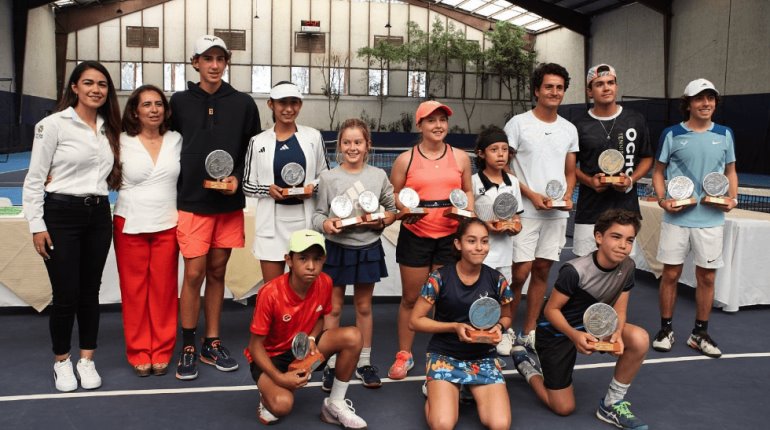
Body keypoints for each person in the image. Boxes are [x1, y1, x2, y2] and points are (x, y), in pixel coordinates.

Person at [22, 60, 121, 392]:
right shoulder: (53, 125)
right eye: (88, 83)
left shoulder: (111, 128)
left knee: (90, 292)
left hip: (98, 217)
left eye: (102, 84)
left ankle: (86, 359)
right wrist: (37, 225)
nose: (96, 89)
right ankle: (62, 361)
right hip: (60, 214)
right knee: (66, 294)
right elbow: (35, 179)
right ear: (75, 87)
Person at [170, 35, 262, 380]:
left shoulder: (244, 104)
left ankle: (212, 341)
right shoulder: (178, 102)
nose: (213, 65)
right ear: (195, 62)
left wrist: (238, 177)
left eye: (219, 58)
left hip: (227, 204)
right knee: (194, 273)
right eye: (206, 58)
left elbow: (251, 152)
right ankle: (189, 344)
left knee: (218, 273)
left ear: (227, 62)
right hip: (192, 203)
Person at [512, 209, 649, 430]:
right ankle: (526, 366)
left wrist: (617, 333)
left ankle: (612, 403)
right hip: (557, 332)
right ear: (599, 237)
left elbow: (620, 311)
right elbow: (551, 311)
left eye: (629, 240)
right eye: (616, 237)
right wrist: (575, 335)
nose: (623, 245)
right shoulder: (575, 271)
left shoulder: (628, 267)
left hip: (596, 326)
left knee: (639, 338)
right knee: (563, 408)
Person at [651, 78, 738, 358]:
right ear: (687, 103)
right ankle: (666, 329)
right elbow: (657, 171)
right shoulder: (672, 134)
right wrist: (664, 200)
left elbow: (731, 171)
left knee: (707, 279)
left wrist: (732, 198)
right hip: (677, 220)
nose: (706, 104)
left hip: (711, 220)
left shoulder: (725, 134)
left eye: (710, 98)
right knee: (671, 275)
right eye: (699, 99)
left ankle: (699, 333)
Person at [246, 229, 367, 428]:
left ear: (324, 260)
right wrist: (281, 378)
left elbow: (320, 317)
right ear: (289, 260)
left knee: (353, 335)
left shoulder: (325, 282)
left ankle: (334, 403)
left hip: (302, 349)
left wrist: (311, 338)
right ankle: (266, 394)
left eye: (317, 259)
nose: (311, 266)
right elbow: (255, 347)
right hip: (270, 357)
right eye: (303, 258)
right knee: (281, 405)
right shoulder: (270, 293)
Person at [388, 100, 474, 380]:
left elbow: (468, 192)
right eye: (431, 121)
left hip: (450, 238)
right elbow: (395, 194)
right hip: (416, 236)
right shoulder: (406, 159)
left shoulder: (460, 158)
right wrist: (404, 211)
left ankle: (445, 355)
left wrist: (467, 213)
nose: (438, 126)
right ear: (420, 125)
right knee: (412, 299)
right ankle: (404, 354)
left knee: (444, 300)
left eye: (442, 120)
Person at [312, 118, 396, 389]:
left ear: (367, 145)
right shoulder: (328, 177)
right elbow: (318, 215)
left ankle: (364, 362)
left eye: (357, 142)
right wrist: (325, 225)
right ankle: (330, 363)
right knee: (333, 308)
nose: (352, 147)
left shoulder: (378, 176)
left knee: (363, 307)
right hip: (337, 249)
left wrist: (381, 220)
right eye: (346, 142)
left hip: (367, 248)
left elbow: (392, 209)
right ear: (339, 146)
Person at [409, 219, 513, 430]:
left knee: (499, 424)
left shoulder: (497, 279)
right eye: (471, 241)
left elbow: (507, 317)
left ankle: (463, 388)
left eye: (484, 241)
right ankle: (434, 388)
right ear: (458, 244)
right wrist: (453, 327)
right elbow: (414, 321)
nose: (479, 247)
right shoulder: (438, 278)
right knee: (443, 424)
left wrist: (499, 328)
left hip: (482, 356)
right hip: (445, 355)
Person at [503, 63, 579, 352]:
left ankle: (529, 330)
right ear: (537, 90)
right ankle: (505, 328)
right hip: (524, 212)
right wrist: (532, 195)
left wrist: (568, 194)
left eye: (559, 87)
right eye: (549, 86)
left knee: (543, 271)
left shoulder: (569, 129)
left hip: (556, 214)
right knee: (519, 273)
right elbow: (505, 167)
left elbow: (570, 172)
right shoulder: (518, 124)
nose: (554, 92)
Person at [114, 85, 182, 377]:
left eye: (158, 104)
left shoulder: (177, 139)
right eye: (146, 105)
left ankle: (162, 349)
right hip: (130, 223)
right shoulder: (119, 141)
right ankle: (140, 350)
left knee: (164, 292)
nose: (153, 109)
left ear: (166, 111)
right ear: (135, 111)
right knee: (134, 292)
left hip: (168, 223)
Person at [243, 81, 328, 283]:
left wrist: (312, 188)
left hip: (305, 223)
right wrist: (267, 190)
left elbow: (326, 176)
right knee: (272, 290)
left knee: (304, 292)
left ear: (300, 105)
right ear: (271, 104)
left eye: (294, 102)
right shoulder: (257, 141)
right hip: (271, 226)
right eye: (282, 103)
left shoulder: (313, 137)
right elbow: (246, 184)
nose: (289, 109)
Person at [572, 64, 654, 256]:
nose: (606, 88)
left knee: (621, 274)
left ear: (616, 87)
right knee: (584, 273)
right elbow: (568, 166)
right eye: (599, 84)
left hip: (626, 210)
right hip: (590, 210)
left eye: (610, 83)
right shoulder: (577, 125)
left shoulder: (635, 119)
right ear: (589, 92)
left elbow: (647, 157)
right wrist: (589, 181)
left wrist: (631, 180)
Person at [470, 126, 523, 356]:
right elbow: (469, 217)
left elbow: (517, 217)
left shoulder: (513, 182)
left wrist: (515, 227)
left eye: (504, 149)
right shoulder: (472, 182)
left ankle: (500, 333)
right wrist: (485, 226)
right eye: (494, 149)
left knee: (504, 294)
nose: (501, 154)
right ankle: (477, 333)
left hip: (504, 253)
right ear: (481, 154)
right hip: (480, 254)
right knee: (479, 295)